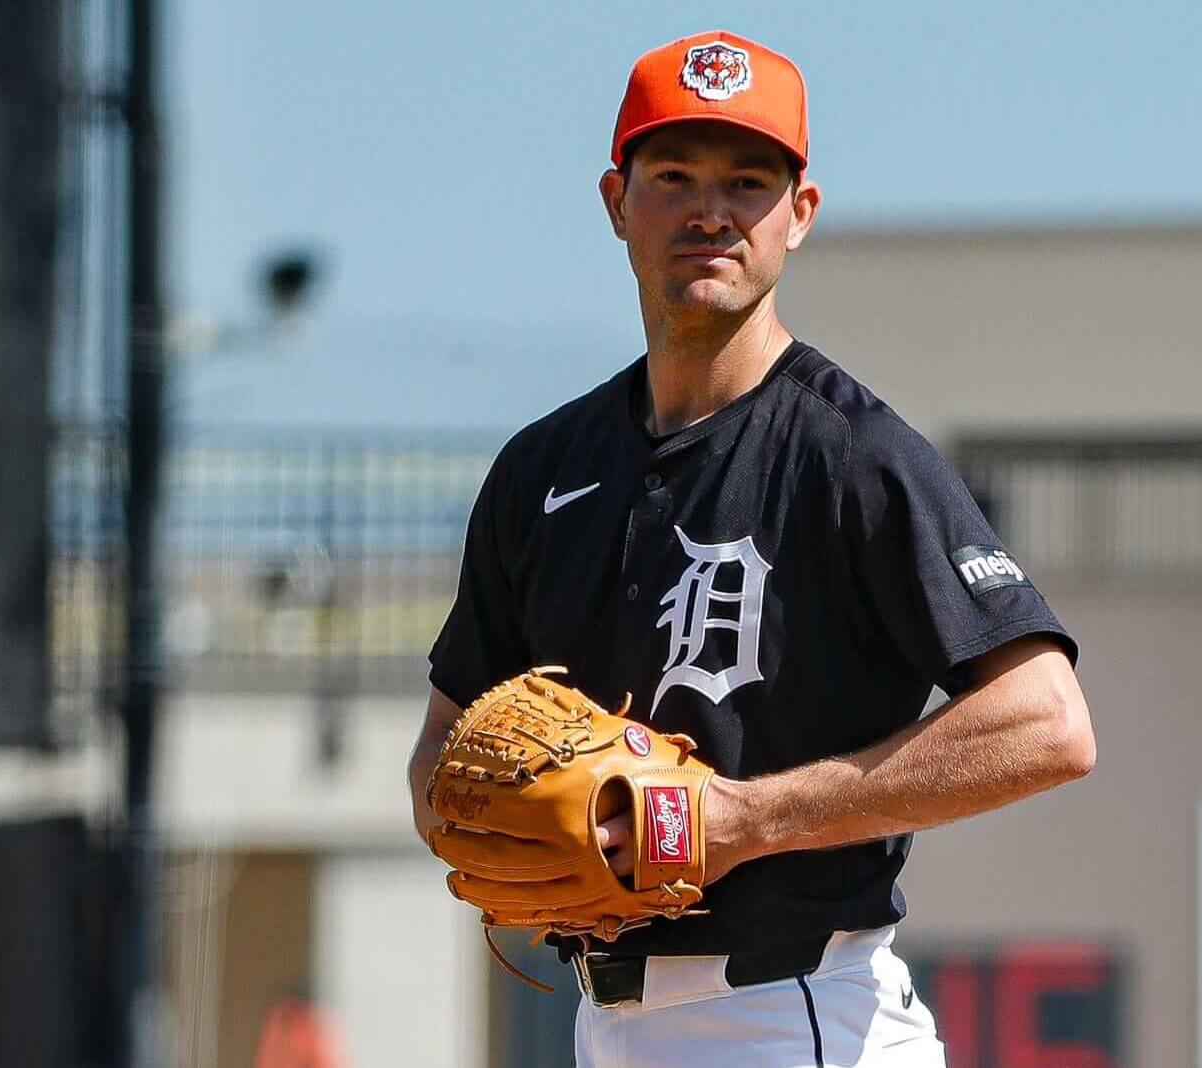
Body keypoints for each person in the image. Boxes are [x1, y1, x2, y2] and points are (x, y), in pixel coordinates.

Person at [406, 29, 1095, 1068]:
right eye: (674, 175)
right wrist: (488, 830)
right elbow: (441, 755)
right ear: (616, 201)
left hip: (798, 1014)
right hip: (605, 1023)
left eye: (749, 180)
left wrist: (745, 819)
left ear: (799, 215)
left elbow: (1048, 725)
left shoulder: (851, 454)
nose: (710, 211)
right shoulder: (542, 471)